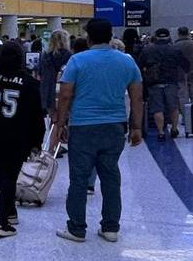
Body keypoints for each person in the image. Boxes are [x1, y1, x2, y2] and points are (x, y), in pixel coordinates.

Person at [52, 19, 144, 243]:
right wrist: (136, 127)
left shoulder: (77, 60)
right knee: (111, 176)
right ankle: (110, 228)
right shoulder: (126, 61)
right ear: (111, 36)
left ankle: (76, 228)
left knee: (79, 178)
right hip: (115, 126)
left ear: (89, 38)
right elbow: (137, 97)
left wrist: (60, 125)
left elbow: (65, 95)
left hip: (83, 126)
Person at [0, 41, 45, 238]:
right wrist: (37, 141)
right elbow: (36, 115)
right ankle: (2, 222)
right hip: (16, 135)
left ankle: (10, 212)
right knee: (9, 177)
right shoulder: (29, 82)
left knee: (2, 172)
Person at [138, 27, 189, 141]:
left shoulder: (147, 50)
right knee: (173, 107)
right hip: (171, 82)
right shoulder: (175, 50)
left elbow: (139, 67)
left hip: (154, 83)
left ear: (155, 37)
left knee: (157, 108)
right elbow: (186, 65)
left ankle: (161, 132)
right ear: (168, 37)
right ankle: (174, 129)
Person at [38, 30, 72, 131]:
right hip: (63, 91)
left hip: (48, 92)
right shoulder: (69, 56)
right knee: (64, 120)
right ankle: (61, 140)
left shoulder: (45, 56)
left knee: (54, 120)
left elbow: (40, 73)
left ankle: (52, 144)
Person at [175, 27, 193, 105]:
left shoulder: (175, 45)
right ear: (188, 33)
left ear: (178, 34)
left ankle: (185, 115)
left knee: (182, 97)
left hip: (180, 74)